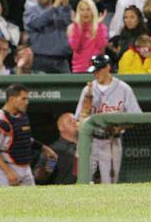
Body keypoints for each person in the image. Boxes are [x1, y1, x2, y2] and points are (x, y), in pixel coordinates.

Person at [74, 53, 142, 184]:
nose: (96, 73)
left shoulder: (123, 89)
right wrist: (84, 112)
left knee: (110, 184)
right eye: (94, 70)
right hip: (90, 141)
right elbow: (78, 122)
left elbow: (136, 117)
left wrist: (120, 127)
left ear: (108, 67)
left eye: (99, 69)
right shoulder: (88, 90)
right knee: (83, 182)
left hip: (112, 142)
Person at [0, 83, 53, 186]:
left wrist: (44, 148)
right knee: (9, 201)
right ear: (12, 99)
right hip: (6, 168)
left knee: (32, 200)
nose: (27, 102)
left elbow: (24, 138)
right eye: (23, 99)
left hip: (25, 167)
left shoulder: (22, 116)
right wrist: (8, 172)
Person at [38, 113, 78, 185]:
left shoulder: (88, 145)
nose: (75, 123)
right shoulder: (54, 149)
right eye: (70, 121)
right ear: (61, 128)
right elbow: (40, 177)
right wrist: (51, 163)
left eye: (76, 120)